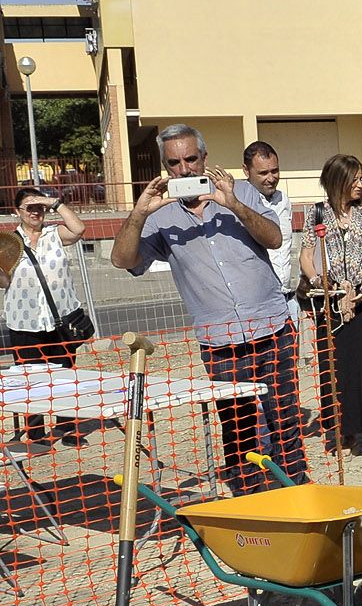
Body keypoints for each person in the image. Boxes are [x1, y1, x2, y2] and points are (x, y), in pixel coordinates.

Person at [111, 124, 307, 493]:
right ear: (165, 165)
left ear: (204, 157)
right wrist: (139, 213)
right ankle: (249, 499)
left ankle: (297, 490)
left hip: (272, 329)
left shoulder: (241, 190)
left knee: (285, 419)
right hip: (220, 342)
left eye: (190, 159)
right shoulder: (159, 214)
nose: (184, 169)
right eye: (174, 163)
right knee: (237, 429)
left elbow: (275, 238)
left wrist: (232, 204)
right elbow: (122, 260)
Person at [299, 154, 362, 463]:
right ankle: (345, 433)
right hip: (331, 303)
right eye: (355, 178)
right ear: (337, 181)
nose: (360, 184)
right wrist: (318, 280)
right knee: (336, 369)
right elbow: (306, 255)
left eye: (361, 178)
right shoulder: (316, 213)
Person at [1, 188, 89, 445]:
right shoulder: (8, 242)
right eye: (29, 207)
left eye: (39, 207)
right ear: (17, 211)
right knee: (30, 380)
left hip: (60, 319)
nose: (35, 212)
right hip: (24, 321)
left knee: (64, 375)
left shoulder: (55, 234)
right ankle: (36, 432)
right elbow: (4, 282)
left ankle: (67, 427)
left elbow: (79, 229)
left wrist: (54, 203)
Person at [242, 141, 298, 316]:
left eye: (275, 171)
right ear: (246, 171)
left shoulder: (283, 200)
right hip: (257, 306)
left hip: (287, 300)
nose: (271, 178)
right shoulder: (239, 203)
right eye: (263, 173)